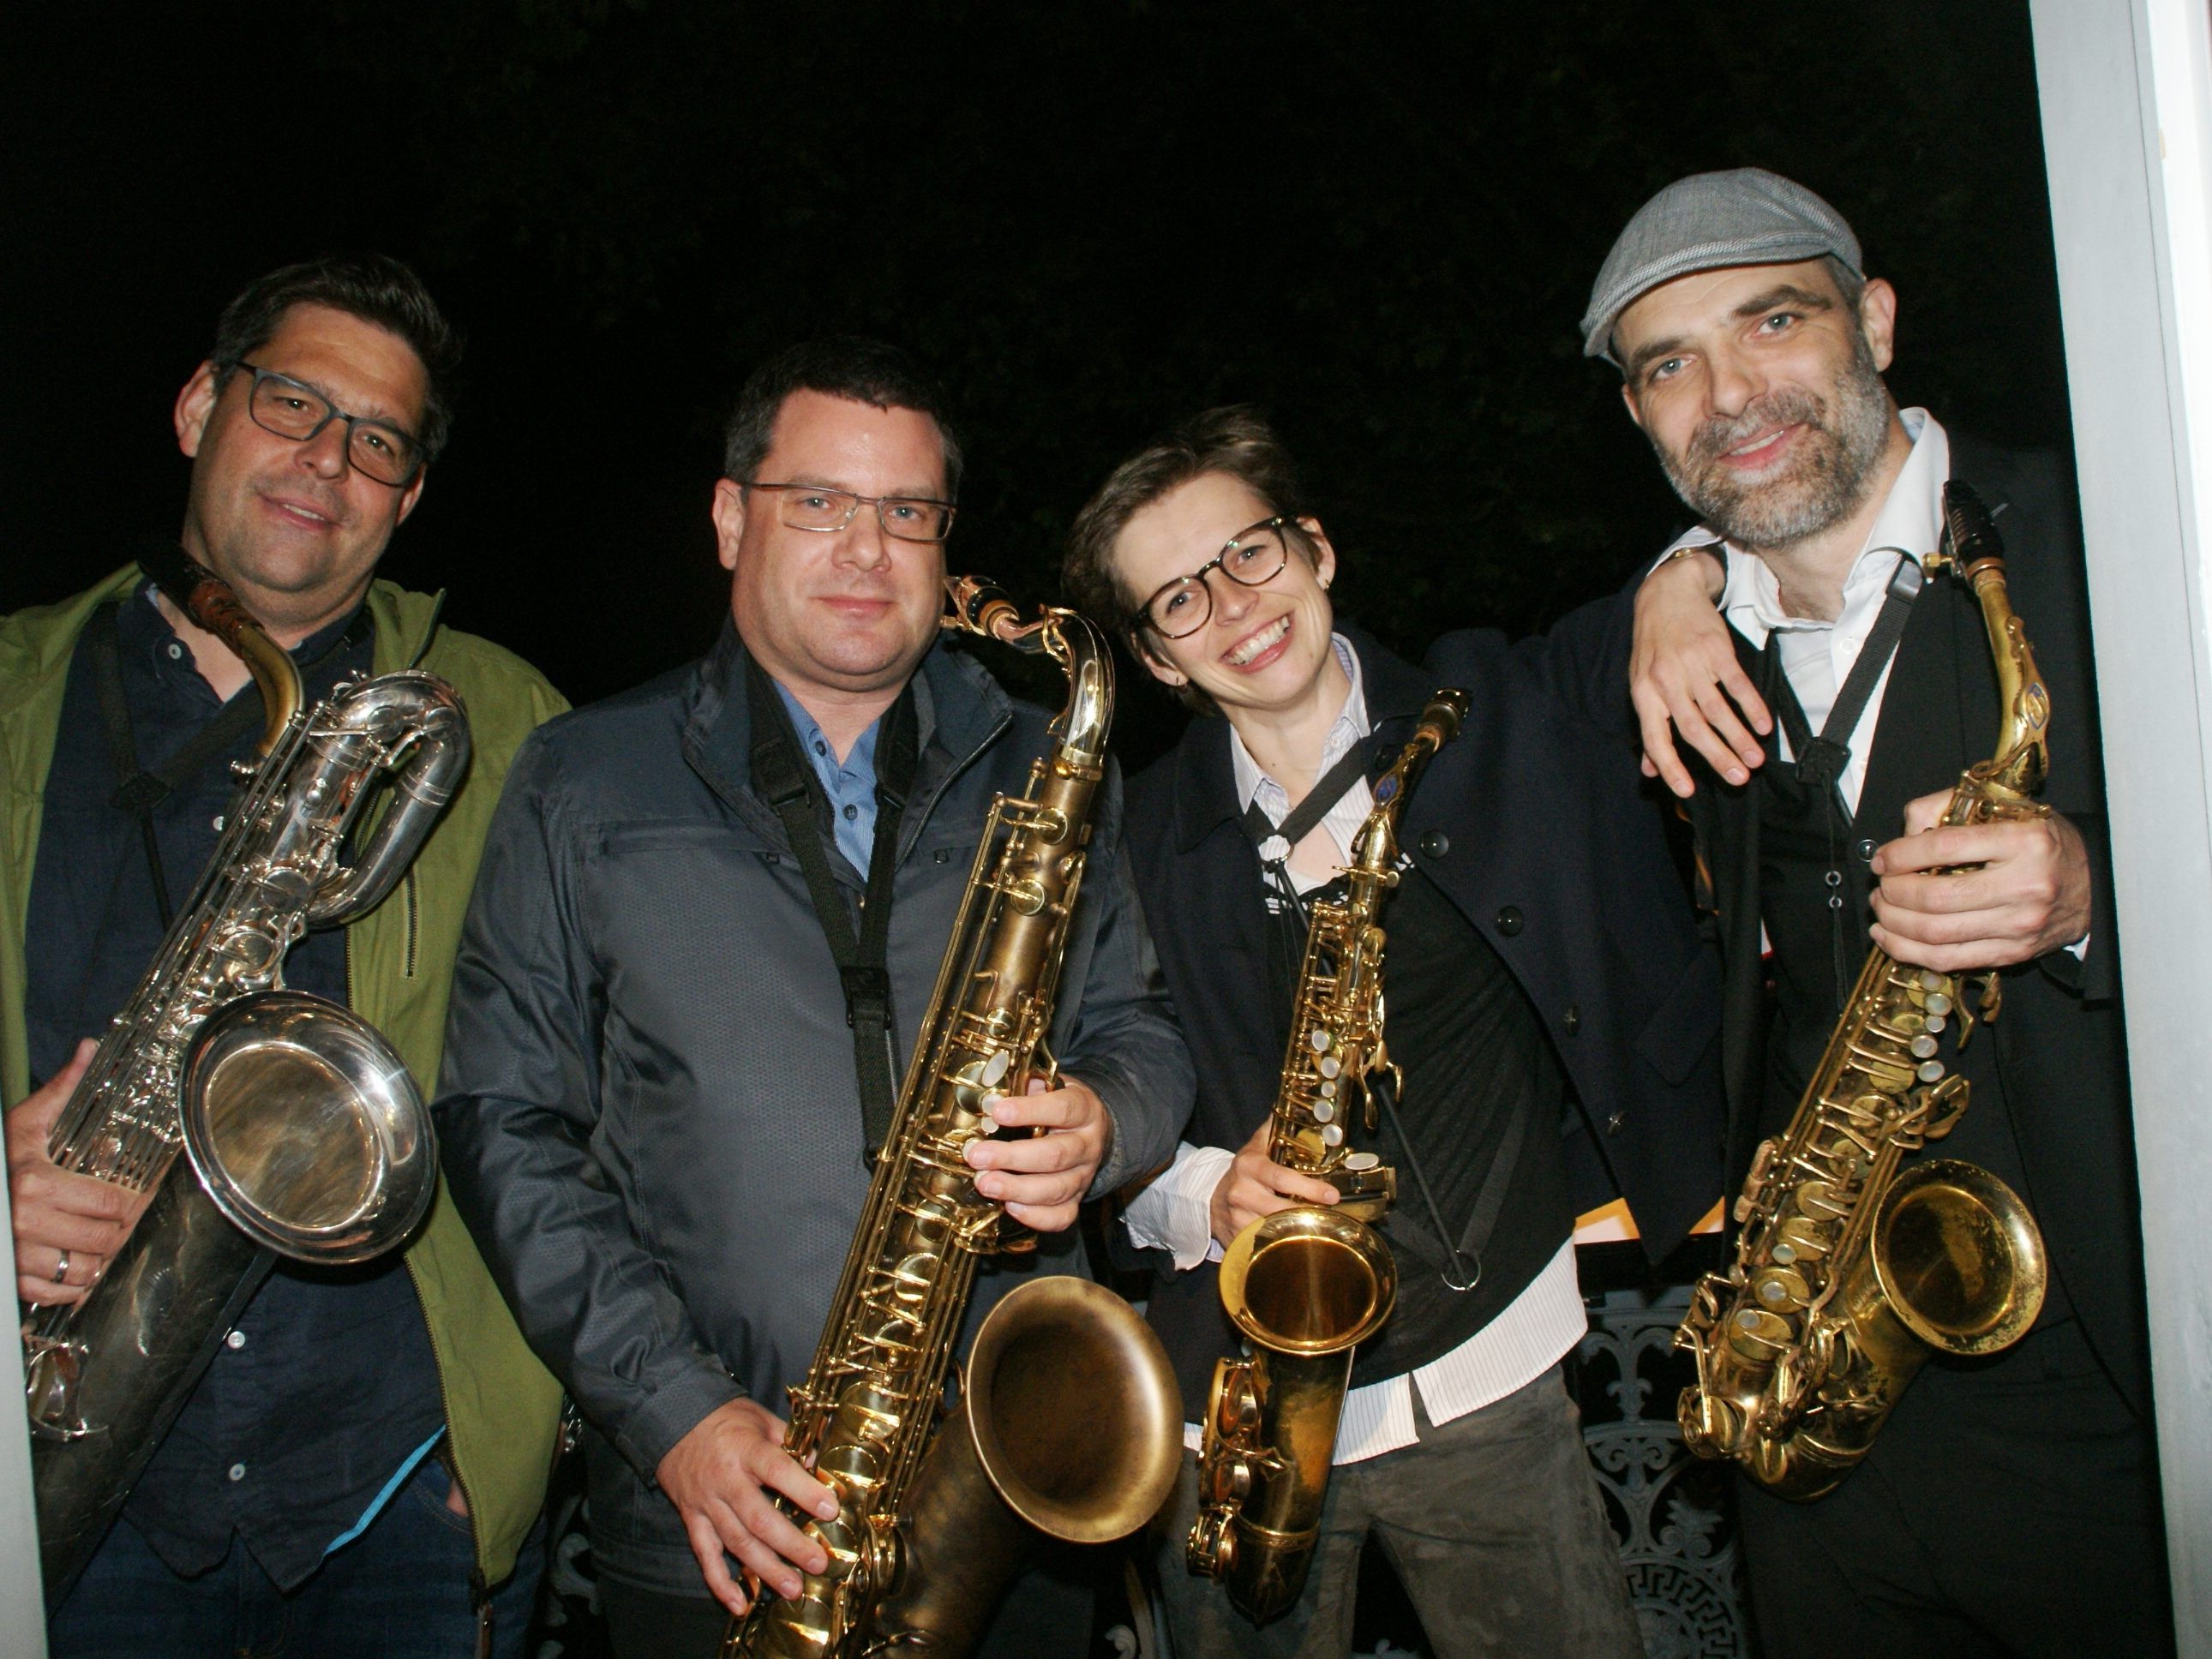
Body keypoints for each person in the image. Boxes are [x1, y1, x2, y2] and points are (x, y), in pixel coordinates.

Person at [432, 336, 1191, 1659]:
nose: (865, 549)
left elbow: (1140, 1028)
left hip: (1005, 1487)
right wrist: (676, 1412)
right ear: (731, 521)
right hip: (721, 1512)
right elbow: (503, 1120)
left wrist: (1107, 1119)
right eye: (820, 503)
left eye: (906, 513)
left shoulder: (1044, 755)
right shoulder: (582, 777)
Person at [1591, 167, 2172, 1656]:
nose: (1728, 393)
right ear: (1643, 419)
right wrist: (1677, 571)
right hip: (1817, 1407)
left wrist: (2108, 890)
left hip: (2123, 1381)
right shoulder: (1689, 631)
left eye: (1771, 320)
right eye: (1670, 365)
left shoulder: (2133, 524)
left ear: (1877, 321)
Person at [1058, 405, 1724, 1658]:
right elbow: (1093, 1102)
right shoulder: (1130, 844)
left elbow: (1719, 559)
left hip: (1493, 1375)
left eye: (1248, 554)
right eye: (1177, 600)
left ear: (1314, 549)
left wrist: (1682, 578)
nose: (1233, 606)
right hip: (1237, 1413)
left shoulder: (1499, 710)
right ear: (1154, 660)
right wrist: (1198, 1192)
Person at [0, 255, 567, 1657]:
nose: (329, 457)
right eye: (291, 403)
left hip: (390, 1493)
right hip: (57, 1485)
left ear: (410, 493)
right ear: (201, 405)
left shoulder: (514, 723)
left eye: (380, 440)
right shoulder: (10, 688)